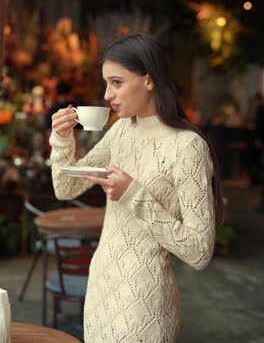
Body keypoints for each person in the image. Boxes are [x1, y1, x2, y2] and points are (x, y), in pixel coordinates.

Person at [49, 33, 224, 343]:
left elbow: (199, 252)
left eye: (116, 83)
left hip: (144, 303)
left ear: (149, 80)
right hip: (101, 289)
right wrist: (63, 140)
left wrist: (134, 195)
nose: (106, 95)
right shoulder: (121, 132)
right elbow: (66, 187)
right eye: (106, 84)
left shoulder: (187, 147)